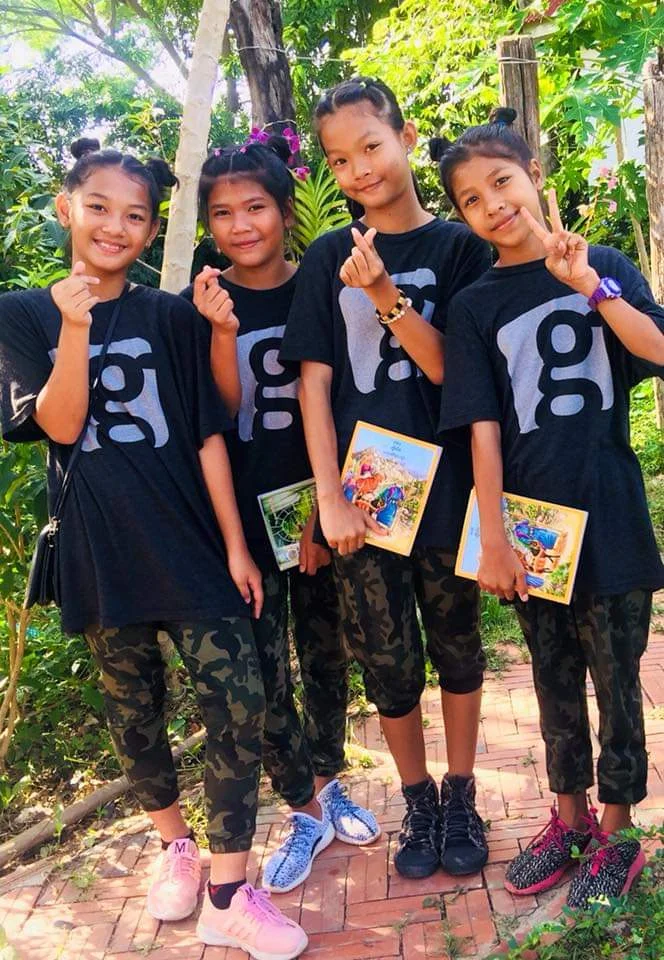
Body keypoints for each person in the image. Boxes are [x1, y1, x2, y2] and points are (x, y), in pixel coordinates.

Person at [0, 139, 307, 959]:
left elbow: (211, 431)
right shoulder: (21, 314)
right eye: (98, 207)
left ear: (152, 227)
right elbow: (60, 424)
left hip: (192, 541)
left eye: (135, 215)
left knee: (239, 701)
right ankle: (175, 843)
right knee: (134, 713)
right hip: (100, 549)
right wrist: (74, 325)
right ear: (65, 208)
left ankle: (229, 893)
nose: (115, 226)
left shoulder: (169, 315)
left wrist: (237, 547)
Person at [435, 107, 664, 908]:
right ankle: (568, 819)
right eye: (470, 199)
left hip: (612, 514)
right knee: (553, 677)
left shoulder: (603, 265)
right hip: (534, 530)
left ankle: (618, 829)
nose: (492, 204)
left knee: (617, 681)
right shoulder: (474, 306)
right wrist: (494, 537)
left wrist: (590, 287)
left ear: (534, 176)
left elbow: (657, 348)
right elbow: (482, 429)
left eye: (502, 181)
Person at [280, 77, 492, 880]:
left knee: (459, 646)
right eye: (340, 160)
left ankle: (462, 791)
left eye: (370, 145)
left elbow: (456, 373)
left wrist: (385, 296)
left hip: (450, 485)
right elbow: (314, 385)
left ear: (403, 136)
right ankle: (419, 799)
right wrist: (328, 495)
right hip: (366, 499)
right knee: (388, 661)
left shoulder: (462, 249)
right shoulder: (327, 257)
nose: (359, 168)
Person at [181, 133, 380, 895]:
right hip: (241, 518)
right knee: (265, 672)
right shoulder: (200, 304)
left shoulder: (324, 283)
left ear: (286, 211)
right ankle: (304, 807)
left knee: (329, 653)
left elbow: (349, 392)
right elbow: (213, 416)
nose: (241, 225)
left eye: (256, 206)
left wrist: (326, 505)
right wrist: (220, 332)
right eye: (223, 212)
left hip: (326, 506)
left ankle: (329, 782)